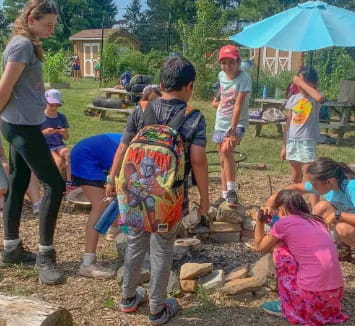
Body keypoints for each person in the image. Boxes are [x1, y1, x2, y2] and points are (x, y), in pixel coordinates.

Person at [106, 56, 209, 325]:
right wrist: (206, 199)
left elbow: (123, 147)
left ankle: (128, 298)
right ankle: (157, 308)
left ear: (161, 83)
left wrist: (112, 179)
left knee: (135, 241)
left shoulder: (141, 110)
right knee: (163, 249)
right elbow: (197, 159)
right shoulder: (193, 117)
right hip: (169, 198)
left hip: (136, 193)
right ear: (189, 86)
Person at [0, 0, 66, 285]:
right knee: (55, 185)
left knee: (18, 180)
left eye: (54, 26)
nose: (51, 30)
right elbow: (2, 90)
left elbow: (8, 94)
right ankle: (46, 255)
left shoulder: (23, 43)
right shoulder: (22, 46)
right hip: (21, 127)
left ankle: (11, 249)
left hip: (18, 123)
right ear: (32, 18)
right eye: (47, 25)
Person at [284, 157, 355, 281]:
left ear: (328, 181)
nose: (312, 187)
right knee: (321, 207)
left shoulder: (354, 187)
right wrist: (270, 204)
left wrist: (338, 215)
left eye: (313, 184)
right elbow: (294, 188)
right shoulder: (329, 185)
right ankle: (343, 248)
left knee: (342, 227)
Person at [254, 190, 349, 325]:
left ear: (281, 209)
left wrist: (259, 220)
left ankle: (288, 303)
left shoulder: (283, 224)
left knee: (279, 248)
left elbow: (260, 247)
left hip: (310, 298)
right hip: (334, 297)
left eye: (276, 210)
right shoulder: (318, 221)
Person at [70, 133, 122, 278]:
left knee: (120, 193)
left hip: (98, 156)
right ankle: (88, 263)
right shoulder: (132, 150)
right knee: (100, 206)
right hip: (84, 157)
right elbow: (116, 171)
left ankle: (114, 229)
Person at [212, 44, 252, 207]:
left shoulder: (244, 78)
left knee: (227, 150)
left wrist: (232, 131)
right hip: (220, 122)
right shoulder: (221, 75)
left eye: (231, 63)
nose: (227, 67)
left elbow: (238, 105)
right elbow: (221, 95)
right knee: (223, 159)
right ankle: (223, 195)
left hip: (236, 123)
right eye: (224, 63)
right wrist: (218, 101)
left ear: (238, 62)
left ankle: (231, 190)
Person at [281, 66, 324, 206]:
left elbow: (320, 97)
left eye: (303, 82)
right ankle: (296, 206)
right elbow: (288, 123)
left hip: (306, 141)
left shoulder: (314, 97)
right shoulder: (294, 99)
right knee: (295, 177)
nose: (300, 86)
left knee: (310, 177)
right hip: (292, 141)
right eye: (298, 82)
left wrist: (301, 82)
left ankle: (315, 209)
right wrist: (284, 145)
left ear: (314, 83)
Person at [40, 89, 73, 189]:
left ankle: (69, 181)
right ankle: (55, 184)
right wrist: (44, 132)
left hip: (59, 145)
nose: (54, 108)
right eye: (51, 105)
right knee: (58, 162)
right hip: (45, 147)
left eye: (57, 105)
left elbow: (67, 138)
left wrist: (64, 133)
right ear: (45, 102)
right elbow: (34, 136)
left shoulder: (61, 117)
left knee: (68, 155)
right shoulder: (40, 117)